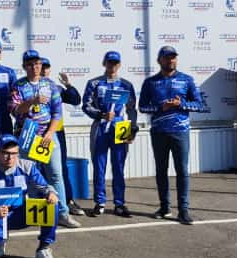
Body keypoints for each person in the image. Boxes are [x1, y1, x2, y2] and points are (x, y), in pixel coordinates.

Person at [9, 50, 80, 228]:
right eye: (30, 64)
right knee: (30, 175)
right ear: (24, 66)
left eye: (37, 63)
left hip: (48, 135)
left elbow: (57, 113)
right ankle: (37, 213)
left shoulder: (50, 85)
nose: (34, 67)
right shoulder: (18, 85)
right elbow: (15, 110)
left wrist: (49, 133)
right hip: (27, 135)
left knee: (55, 174)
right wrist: (32, 101)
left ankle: (62, 213)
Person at [138, 46, 208, 225]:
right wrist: (161, 107)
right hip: (159, 133)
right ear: (159, 60)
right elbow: (142, 107)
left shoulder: (186, 80)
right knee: (161, 171)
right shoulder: (150, 82)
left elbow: (200, 105)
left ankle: (183, 210)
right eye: (167, 57)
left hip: (180, 132)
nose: (171, 60)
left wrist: (180, 104)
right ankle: (164, 207)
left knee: (182, 171)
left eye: (173, 57)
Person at [0, 135, 60, 258]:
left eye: (14, 153)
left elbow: (44, 186)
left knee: (52, 205)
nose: (10, 157)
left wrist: (51, 193)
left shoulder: (27, 166)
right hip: (0, 216)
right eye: (6, 153)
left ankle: (43, 248)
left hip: (22, 213)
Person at [81, 51, 138, 218]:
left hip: (120, 126)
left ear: (119, 65)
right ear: (104, 63)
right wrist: (101, 114)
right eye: (109, 62)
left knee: (119, 166)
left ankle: (119, 203)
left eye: (115, 63)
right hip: (101, 126)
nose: (112, 65)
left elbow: (131, 109)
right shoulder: (94, 83)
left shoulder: (126, 85)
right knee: (99, 166)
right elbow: (86, 105)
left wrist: (132, 129)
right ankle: (99, 202)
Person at [41, 57, 85, 216]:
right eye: (41, 66)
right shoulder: (30, 88)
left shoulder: (57, 88)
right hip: (38, 133)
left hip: (56, 133)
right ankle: (42, 202)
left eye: (46, 67)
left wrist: (68, 85)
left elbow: (76, 100)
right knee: (38, 169)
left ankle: (67, 200)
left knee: (60, 169)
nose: (43, 70)